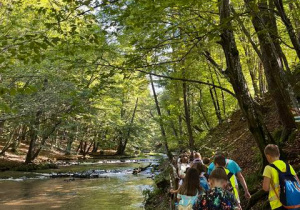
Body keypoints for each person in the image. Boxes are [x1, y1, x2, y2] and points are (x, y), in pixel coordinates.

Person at [262, 144, 300, 210]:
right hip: (292, 202)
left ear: (268, 156)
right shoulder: (288, 166)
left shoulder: (268, 168)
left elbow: (266, 188)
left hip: (277, 204)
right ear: (279, 154)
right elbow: (298, 182)